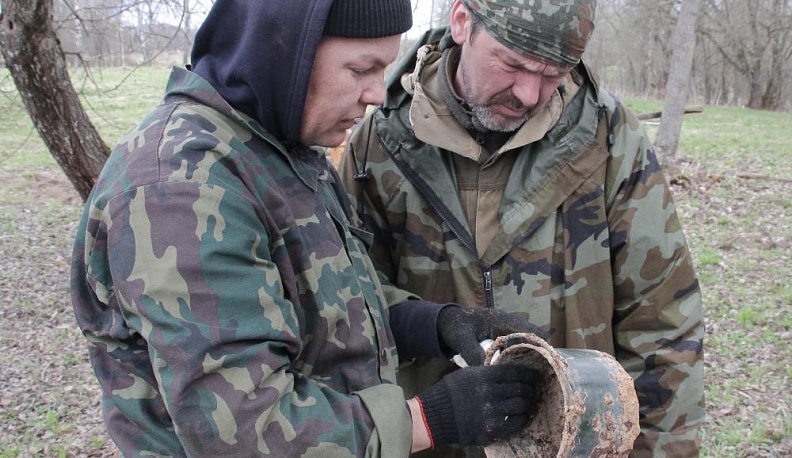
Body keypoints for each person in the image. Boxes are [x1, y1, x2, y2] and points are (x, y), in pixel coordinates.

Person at [70, 0, 549, 456]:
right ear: (284, 50)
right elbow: (244, 433)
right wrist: (430, 419)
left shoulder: (279, 148)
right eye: (361, 69)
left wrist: (433, 324)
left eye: (382, 69)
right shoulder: (181, 187)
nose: (377, 93)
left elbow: (319, 297)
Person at [338, 0, 706, 456]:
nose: (530, 94)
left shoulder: (608, 138)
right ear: (462, 23)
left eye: (554, 74)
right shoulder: (378, 143)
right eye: (512, 64)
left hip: (578, 442)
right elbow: (348, 308)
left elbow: (663, 322)